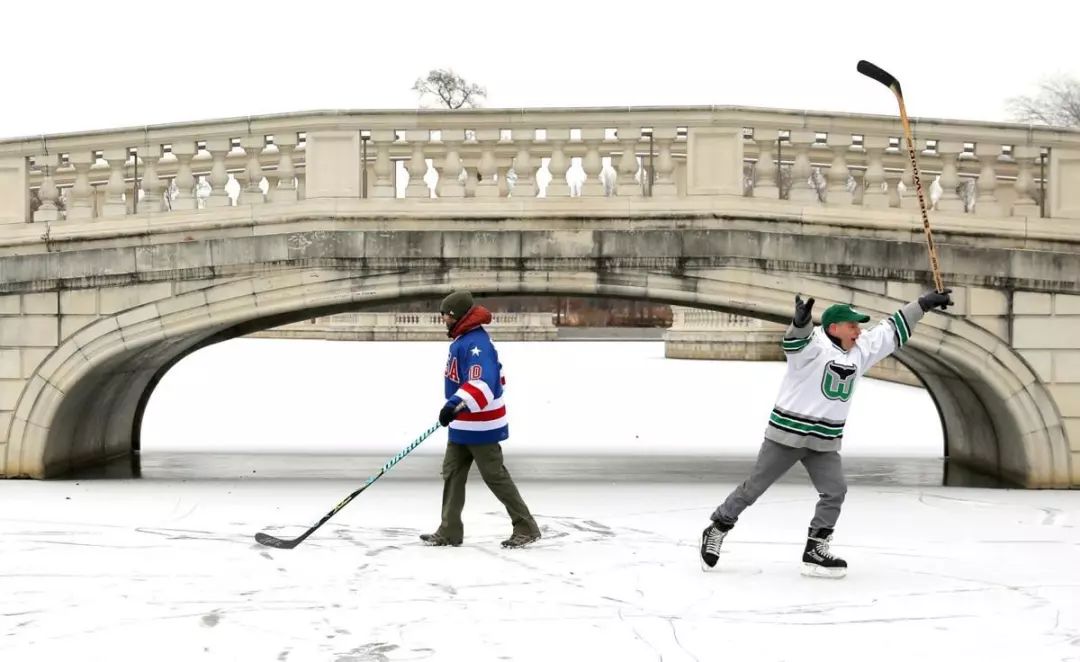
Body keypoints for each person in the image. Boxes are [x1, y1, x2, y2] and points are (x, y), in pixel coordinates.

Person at [699, 288, 954, 577]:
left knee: (835, 491)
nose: (859, 331)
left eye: (858, 326)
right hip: (788, 435)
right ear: (834, 328)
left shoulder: (861, 349)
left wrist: (923, 304)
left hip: (825, 440)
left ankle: (816, 547)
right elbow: (797, 341)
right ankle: (718, 526)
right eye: (853, 325)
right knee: (755, 488)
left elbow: (891, 328)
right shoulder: (814, 347)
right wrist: (801, 321)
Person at [419, 290, 542, 549]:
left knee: (494, 476)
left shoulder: (477, 344)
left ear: (459, 316)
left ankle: (526, 526)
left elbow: (483, 383)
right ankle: (449, 530)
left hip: (481, 424)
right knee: (452, 472)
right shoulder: (463, 340)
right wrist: (455, 410)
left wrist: (454, 404)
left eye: (446, 315)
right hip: (462, 423)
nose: (443, 319)